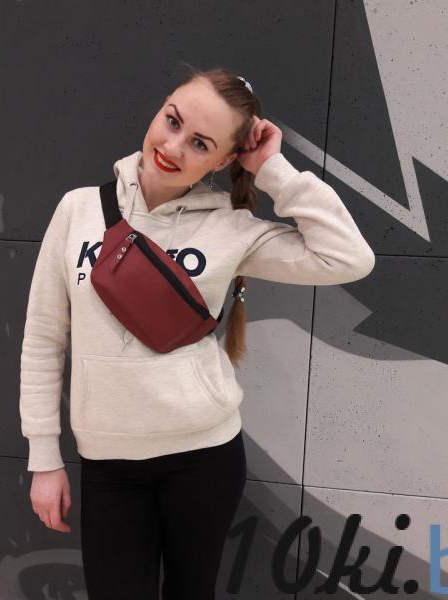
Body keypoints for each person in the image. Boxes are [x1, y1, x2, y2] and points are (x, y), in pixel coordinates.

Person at [19, 65, 376, 599]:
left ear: (225, 160)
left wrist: (272, 170)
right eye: (173, 121)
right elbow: (44, 338)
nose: (173, 147)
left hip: (203, 458)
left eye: (201, 143)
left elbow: (348, 257)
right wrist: (44, 457)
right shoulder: (79, 210)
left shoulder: (230, 226)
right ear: (161, 107)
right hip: (109, 464)